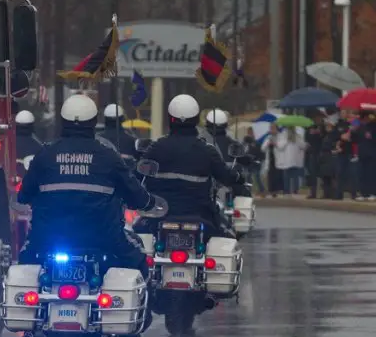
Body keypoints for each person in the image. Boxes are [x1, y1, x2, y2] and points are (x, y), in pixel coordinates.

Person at [18, 94, 157, 276]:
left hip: (47, 237)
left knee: (23, 265)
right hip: (103, 238)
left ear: (63, 121)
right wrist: (148, 202)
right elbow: (137, 196)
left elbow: (23, 196)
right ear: (93, 122)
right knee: (140, 260)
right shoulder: (109, 156)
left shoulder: (44, 155)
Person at [137, 94, 244, 239]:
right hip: (201, 217)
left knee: (134, 236)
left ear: (170, 119)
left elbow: (136, 175)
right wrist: (237, 175)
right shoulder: (207, 150)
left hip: (158, 217)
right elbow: (226, 177)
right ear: (195, 119)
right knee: (229, 239)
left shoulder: (156, 148)